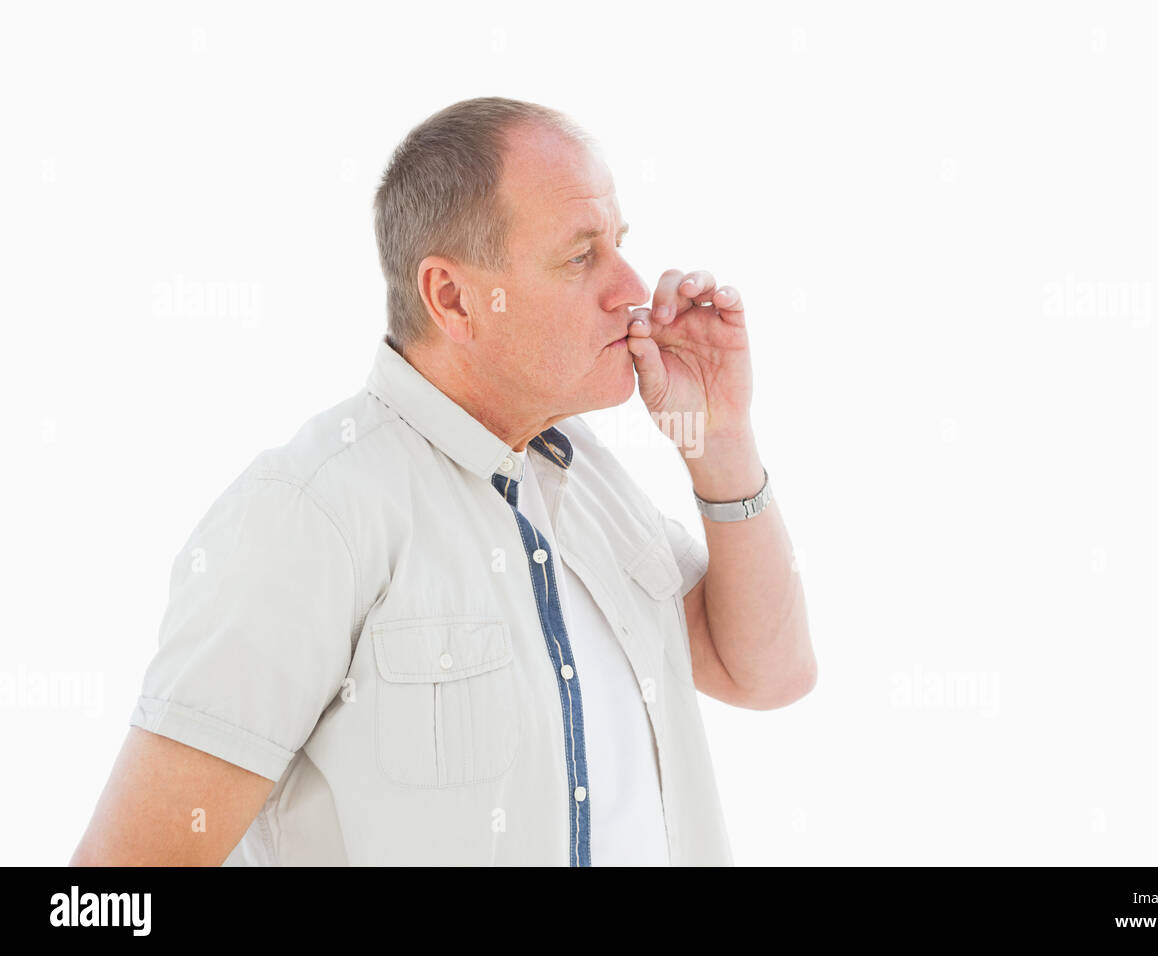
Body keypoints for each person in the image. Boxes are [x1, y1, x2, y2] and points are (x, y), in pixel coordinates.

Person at [70, 96, 814, 866]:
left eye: (621, 243)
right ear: (453, 299)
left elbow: (766, 673)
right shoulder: (310, 516)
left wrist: (720, 440)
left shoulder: (587, 478)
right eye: (581, 255)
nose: (632, 286)